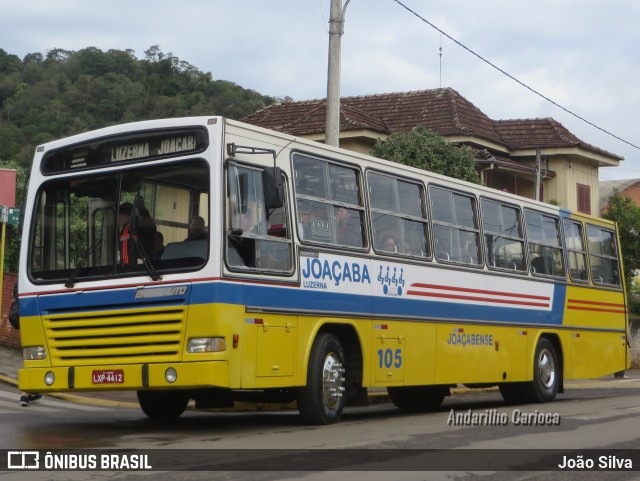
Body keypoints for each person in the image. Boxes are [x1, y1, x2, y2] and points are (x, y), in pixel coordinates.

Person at [9, 283, 43, 407]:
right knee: (33, 358)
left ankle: (32, 391)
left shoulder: (19, 284)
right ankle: (25, 394)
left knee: (31, 356)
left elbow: (14, 301)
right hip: (35, 323)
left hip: (24, 323)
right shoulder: (36, 281)